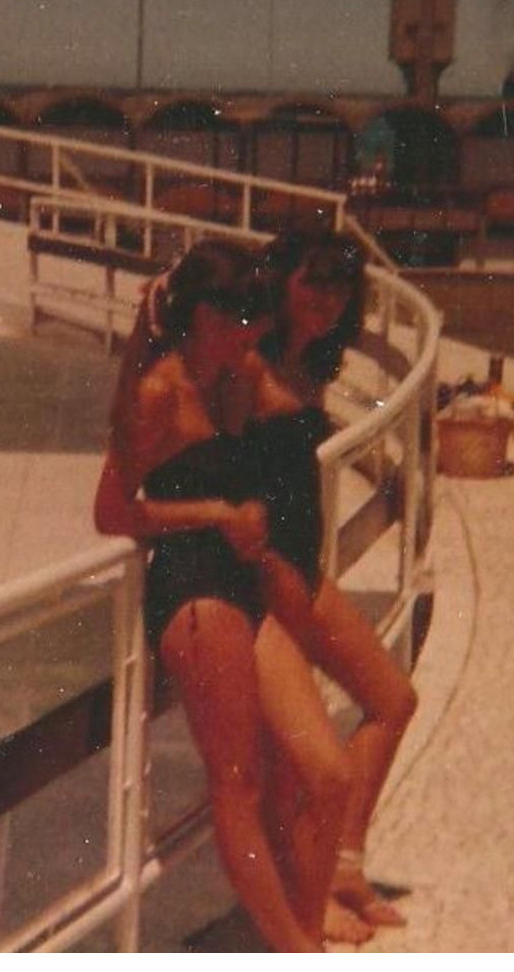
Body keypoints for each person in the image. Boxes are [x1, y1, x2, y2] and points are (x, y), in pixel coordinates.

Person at [93, 239, 354, 953]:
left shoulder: (235, 378)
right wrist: (213, 512)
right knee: (236, 785)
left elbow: (295, 408)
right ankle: (300, 954)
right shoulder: (158, 394)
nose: (251, 326)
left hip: (245, 587)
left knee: (325, 774)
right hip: (195, 592)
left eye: (253, 312)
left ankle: (293, 937)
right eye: (237, 312)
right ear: (197, 314)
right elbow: (113, 512)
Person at [250, 229, 420, 945]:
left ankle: (343, 866)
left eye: (338, 286)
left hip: (300, 572)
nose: (324, 299)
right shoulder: (246, 358)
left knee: (392, 699)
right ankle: (308, 899)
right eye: (309, 281)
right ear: (279, 280)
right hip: (253, 588)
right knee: (311, 764)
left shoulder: (309, 359)